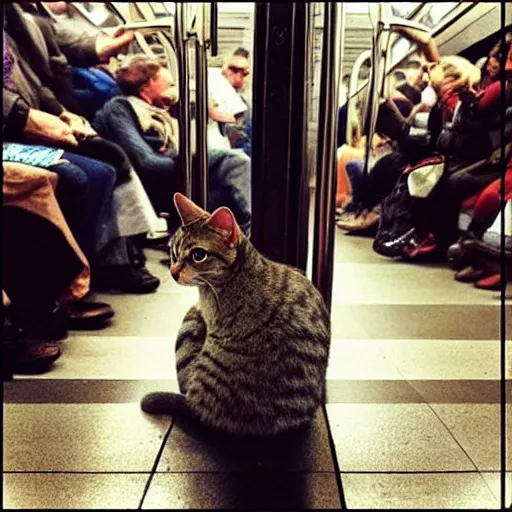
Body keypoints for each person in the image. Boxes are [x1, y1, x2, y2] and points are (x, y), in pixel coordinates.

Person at [93, 54, 252, 237]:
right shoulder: (120, 107)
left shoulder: (160, 112)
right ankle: (255, 229)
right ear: (148, 85)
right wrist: (189, 160)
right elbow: (147, 162)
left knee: (234, 179)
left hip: (174, 173)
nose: (173, 91)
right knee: (236, 161)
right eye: (169, 85)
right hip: (160, 181)